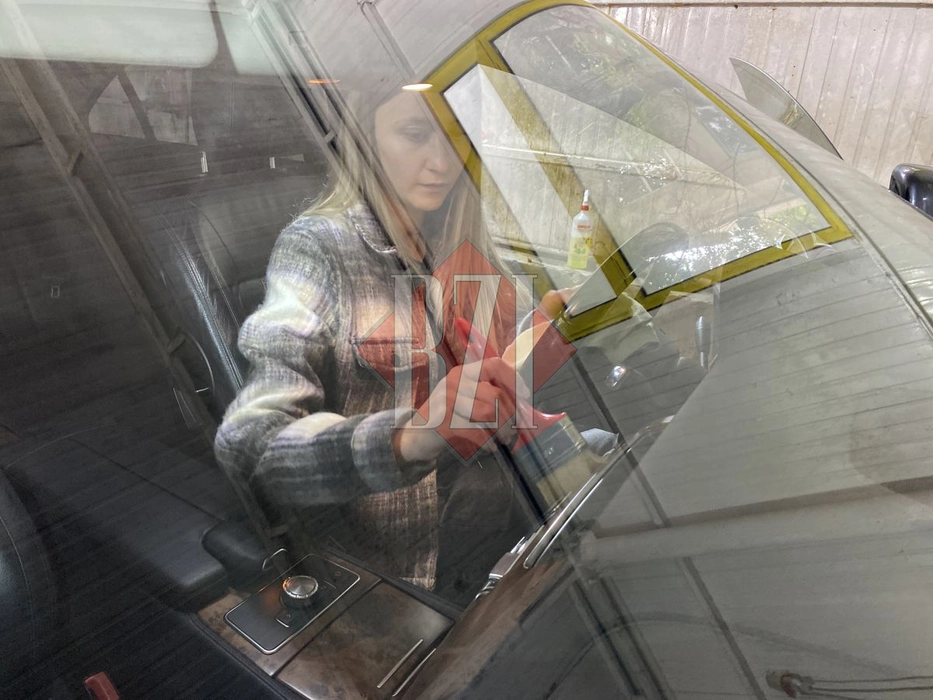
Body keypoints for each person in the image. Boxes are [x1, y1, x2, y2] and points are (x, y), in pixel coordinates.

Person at [215, 85, 539, 597]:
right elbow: (251, 443)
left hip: (509, 518)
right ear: (365, 137)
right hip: (410, 567)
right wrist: (407, 439)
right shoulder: (319, 247)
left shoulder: (460, 234)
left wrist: (556, 326)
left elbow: (502, 347)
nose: (442, 163)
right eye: (414, 134)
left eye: (456, 137)